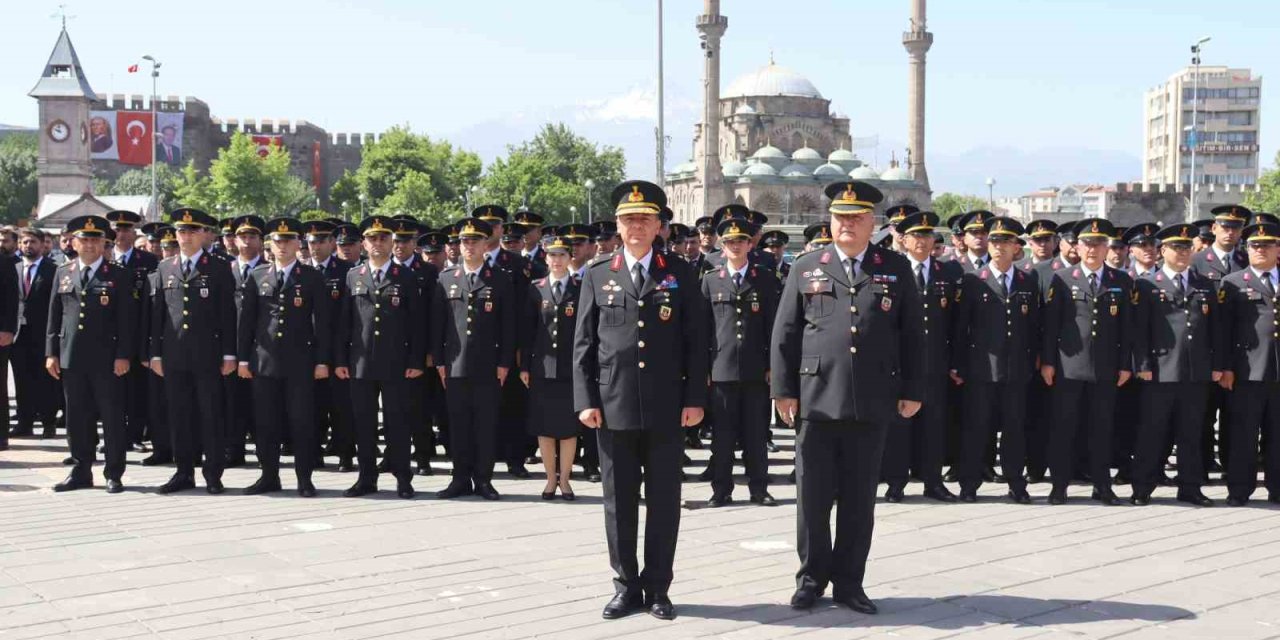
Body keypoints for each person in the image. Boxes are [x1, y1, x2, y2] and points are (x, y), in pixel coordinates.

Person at [773, 180, 923, 614]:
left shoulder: (894, 267)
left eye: (857, 218)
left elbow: (913, 335)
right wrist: (783, 392)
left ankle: (850, 583)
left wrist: (913, 388)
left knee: (859, 499)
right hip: (816, 399)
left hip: (871, 399)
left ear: (871, 222)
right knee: (813, 499)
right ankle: (810, 579)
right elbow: (785, 334)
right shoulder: (805, 267)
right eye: (841, 217)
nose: (848, 224)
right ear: (831, 220)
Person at [574, 180, 708, 621]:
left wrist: (695, 399)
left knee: (665, 500)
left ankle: (658, 587)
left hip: (668, 406)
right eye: (629, 219)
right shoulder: (598, 273)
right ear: (618, 225)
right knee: (618, 501)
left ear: (658, 226)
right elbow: (584, 347)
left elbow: (696, 343)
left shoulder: (681, 272)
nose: (636, 226)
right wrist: (586, 400)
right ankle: (625, 585)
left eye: (645, 219)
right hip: (613, 406)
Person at [237, 218, 331, 497]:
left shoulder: (311, 277)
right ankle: (269, 476)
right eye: (277, 240)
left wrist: (322, 360)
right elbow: (247, 322)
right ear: (270, 244)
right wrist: (243, 360)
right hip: (264, 362)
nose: (282, 245)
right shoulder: (257, 276)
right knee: (265, 423)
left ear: (298, 244)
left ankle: (304, 478)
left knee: (301, 422)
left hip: (301, 362)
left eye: (288, 240)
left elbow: (322, 322)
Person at [1041, 218, 1133, 506]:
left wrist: (1125, 363)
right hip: (1069, 366)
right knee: (1064, 429)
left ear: (1108, 247)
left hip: (1105, 368)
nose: (1092, 249)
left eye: (1099, 244)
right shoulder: (1063, 279)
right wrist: (1047, 361)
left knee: (1102, 429)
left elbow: (1127, 328)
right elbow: (1051, 325)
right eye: (1087, 244)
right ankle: (1059, 486)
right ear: (1077, 247)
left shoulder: (1121, 280)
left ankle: (1102, 486)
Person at [334, 216, 425, 500]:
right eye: (372, 238)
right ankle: (366, 477)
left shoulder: (406, 277)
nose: (377, 243)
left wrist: (415, 360)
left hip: (396, 362)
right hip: (360, 363)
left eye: (383, 238)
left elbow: (416, 324)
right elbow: (344, 324)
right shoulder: (353, 275)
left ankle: (403, 478)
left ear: (392, 242)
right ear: (364, 243)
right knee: (364, 423)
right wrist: (340, 360)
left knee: (398, 422)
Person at [1129, 223, 1220, 507]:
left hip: (1195, 371)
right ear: (1162, 251)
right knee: (1152, 431)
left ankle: (1190, 487)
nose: (1182, 253)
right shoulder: (1147, 284)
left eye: (1186, 248)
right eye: (1175, 248)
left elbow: (1214, 329)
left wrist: (1216, 364)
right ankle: (1142, 487)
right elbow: (1139, 329)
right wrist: (1142, 364)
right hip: (1159, 370)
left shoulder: (1204, 284)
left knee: (1191, 433)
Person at [951, 217, 1040, 504]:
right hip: (981, 368)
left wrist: (1034, 361)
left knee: (1015, 429)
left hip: (1016, 369)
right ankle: (969, 484)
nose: (999, 247)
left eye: (1006, 242)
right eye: (995, 241)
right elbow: (960, 328)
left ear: (1017, 247)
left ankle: (1016, 483)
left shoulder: (1028, 280)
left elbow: (1034, 326)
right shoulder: (974, 281)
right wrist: (959, 364)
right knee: (977, 428)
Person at [45, 215, 137, 492]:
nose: (89, 245)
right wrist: (51, 352)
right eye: (84, 240)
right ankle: (81, 470)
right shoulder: (64, 272)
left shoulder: (118, 273)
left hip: (107, 359)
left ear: (104, 243)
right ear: (73, 242)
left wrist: (123, 355)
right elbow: (54, 315)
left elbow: (126, 320)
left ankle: (113, 472)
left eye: (95, 240)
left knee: (111, 416)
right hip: (72, 357)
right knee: (77, 418)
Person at [149, 208, 237, 495]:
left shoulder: (219, 267)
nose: (185, 237)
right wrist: (155, 354)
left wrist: (229, 354)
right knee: (179, 415)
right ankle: (183, 472)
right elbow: (157, 316)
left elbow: (227, 315)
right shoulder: (165, 268)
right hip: (174, 355)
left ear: (203, 234)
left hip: (208, 354)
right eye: (181, 232)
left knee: (210, 415)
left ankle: (213, 474)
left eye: (191, 231)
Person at [431, 218, 516, 500]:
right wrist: (441, 362)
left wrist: (504, 362)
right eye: (464, 242)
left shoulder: (500, 278)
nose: (468, 246)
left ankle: (483, 479)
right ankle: (459, 479)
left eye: (474, 241)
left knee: (485, 425)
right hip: (454, 366)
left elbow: (508, 326)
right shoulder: (446, 279)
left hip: (488, 366)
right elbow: (438, 325)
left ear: (485, 244)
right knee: (458, 426)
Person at [882, 211, 961, 503]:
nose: (922, 241)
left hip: (935, 364)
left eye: (927, 235)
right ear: (903, 239)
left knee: (934, 426)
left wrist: (954, 361)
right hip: (900, 364)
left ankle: (933, 481)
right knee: (899, 427)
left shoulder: (948, 273)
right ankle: (896, 483)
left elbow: (956, 323)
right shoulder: (894, 270)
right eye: (916, 235)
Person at [702, 217, 778, 508]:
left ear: (750, 244)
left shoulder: (765, 278)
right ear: (722, 246)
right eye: (730, 242)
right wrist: (704, 369)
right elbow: (703, 330)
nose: (736, 246)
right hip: (720, 370)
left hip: (756, 370)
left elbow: (774, 326)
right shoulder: (710, 281)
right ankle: (721, 489)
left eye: (741, 241)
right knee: (722, 437)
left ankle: (759, 488)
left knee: (756, 435)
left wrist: (773, 365)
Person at [1219, 220, 1280, 507]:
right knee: (1243, 433)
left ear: (1277, 248)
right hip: (1247, 370)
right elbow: (1224, 331)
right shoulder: (1233, 283)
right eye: (1255, 245)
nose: (1260, 250)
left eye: (1267, 245)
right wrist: (1226, 367)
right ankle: (1239, 489)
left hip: (1278, 372)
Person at [522, 235, 581, 500]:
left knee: (568, 429)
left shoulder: (580, 288)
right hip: (542, 368)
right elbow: (527, 331)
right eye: (552, 256)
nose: (557, 261)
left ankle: (565, 480)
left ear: (570, 258)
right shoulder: (535, 289)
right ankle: (549, 480)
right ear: (545, 258)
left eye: (562, 256)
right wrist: (524, 366)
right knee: (545, 427)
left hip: (570, 369)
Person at [107, 210, 159, 451]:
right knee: (112, 389)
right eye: (117, 229)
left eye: (126, 229)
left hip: (138, 330)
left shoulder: (147, 261)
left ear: (134, 232)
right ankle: (114, 437)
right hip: (109, 333)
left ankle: (135, 435)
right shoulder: (105, 258)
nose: (121, 233)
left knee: (137, 387)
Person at [12, 229, 58, 440]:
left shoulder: (53, 270)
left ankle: (48, 423)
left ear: (41, 245)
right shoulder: (14, 268)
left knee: (45, 380)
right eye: (24, 242)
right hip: (19, 334)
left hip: (43, 333)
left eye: (32, 242)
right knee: (22, 380)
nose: (28, 246)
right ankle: (25, 422)